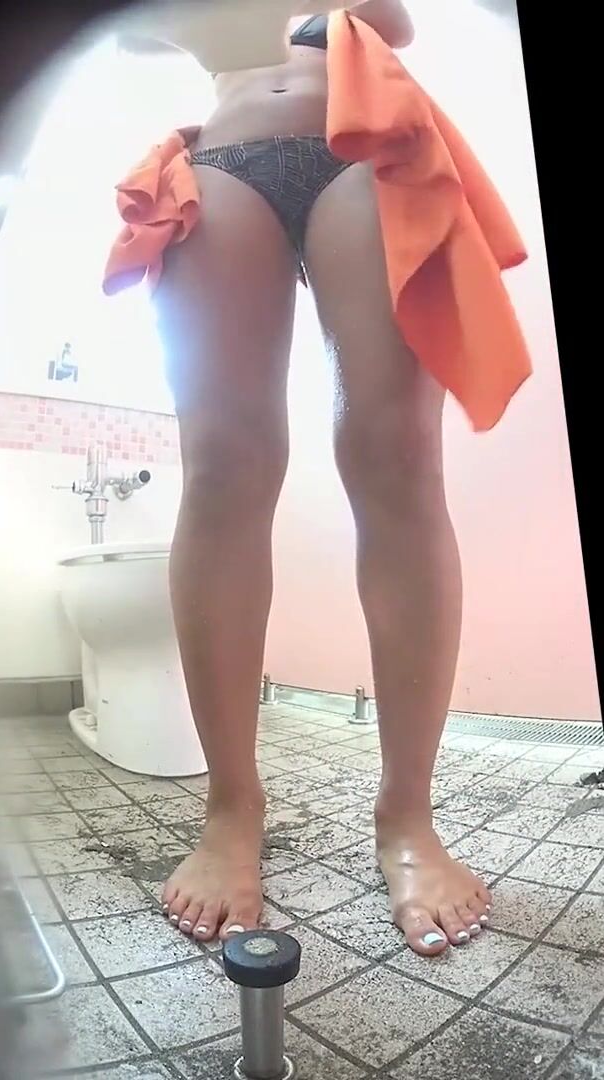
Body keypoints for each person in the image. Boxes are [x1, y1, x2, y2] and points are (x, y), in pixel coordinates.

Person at [105, 1, 531, 958]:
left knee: (399, 456)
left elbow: (393, 23)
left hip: (361, 151)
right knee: (223, 464)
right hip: (223, 162)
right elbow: (134, 31)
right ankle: (231, 809)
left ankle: (407, 815)